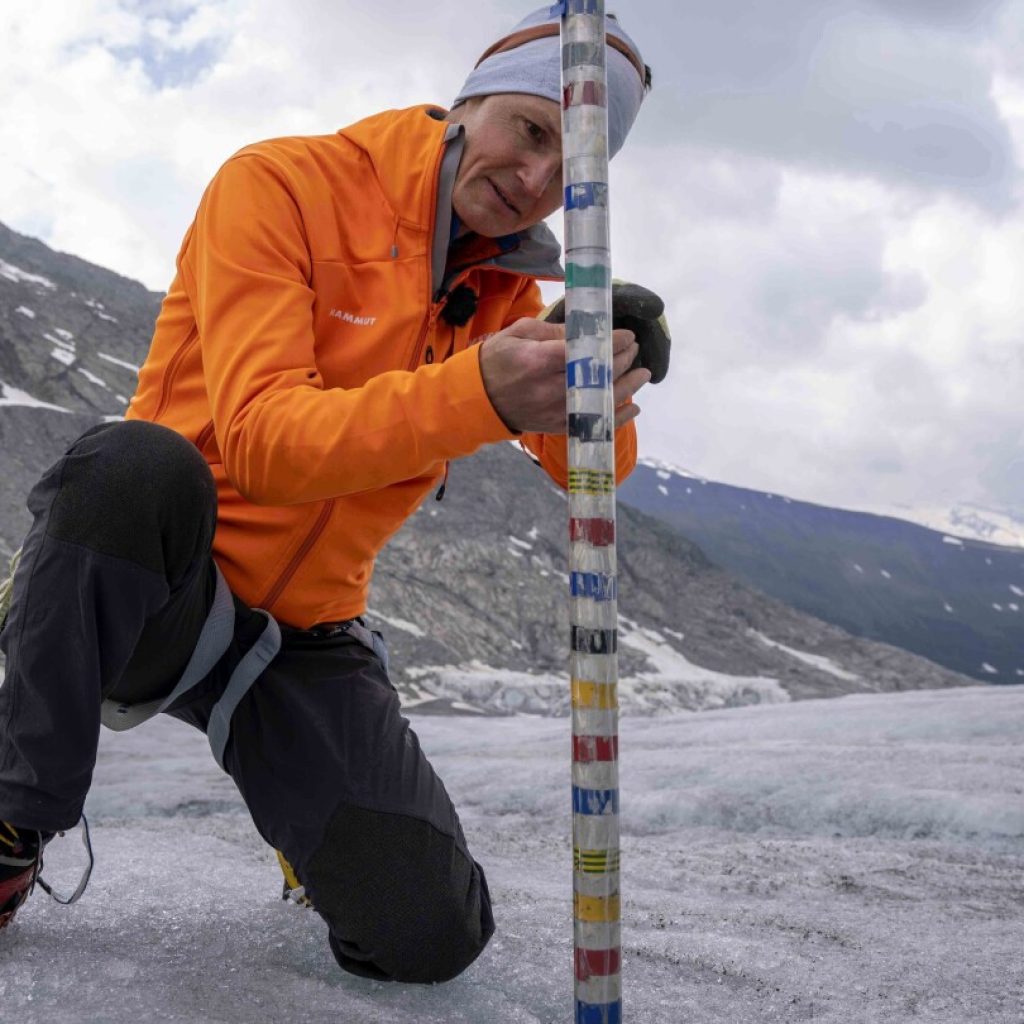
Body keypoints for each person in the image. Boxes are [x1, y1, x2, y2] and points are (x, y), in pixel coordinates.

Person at [0, 6, 669, 982]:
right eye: (530, 132)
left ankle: (304, 830)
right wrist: (477, 388)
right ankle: (12, 824)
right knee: (128, 464)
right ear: (472, 101)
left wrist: (608, 387)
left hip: (298, 639)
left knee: (426, 934)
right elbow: (265, 445)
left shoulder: (508, 300)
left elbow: (587, 477)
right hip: (161, 586)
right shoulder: (279, 186)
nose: (535, 182)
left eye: (568, 172)